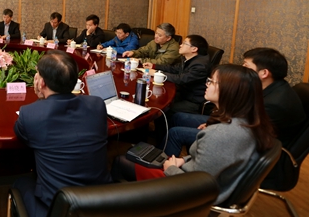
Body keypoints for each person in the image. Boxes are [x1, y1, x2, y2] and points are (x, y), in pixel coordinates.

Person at [112, 64, 275, 204]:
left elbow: (197, 186)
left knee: (121, 161)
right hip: (206, 181)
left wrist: (171, 169)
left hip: (193, 196)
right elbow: (209, 162)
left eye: (212, 81)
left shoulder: (221, 135)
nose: (207, 84)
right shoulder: (250, 121)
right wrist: (184, 160)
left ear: (230, 91)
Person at [13, 50, 112, 217]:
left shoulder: (30, 114)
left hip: (59, 212)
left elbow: (23, 137)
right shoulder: (97, 104)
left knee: (20, 182)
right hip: (102, 204)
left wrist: (42, 100)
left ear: (41, 82)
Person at [165, 48, 306, 155]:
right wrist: (213, 122)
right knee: (178, 117)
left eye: (246, 66)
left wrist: (212, 125)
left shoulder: (274, 104)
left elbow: (243, 133)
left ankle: (165, 169)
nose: (241, 69)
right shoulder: (268, 87)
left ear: (264, 73)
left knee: (176, 133)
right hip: (237, 126)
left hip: (252, 147)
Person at [143, 35, 212, 115]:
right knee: (158, 100)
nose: (180, 45)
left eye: (184, 43)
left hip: (193, 100)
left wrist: (157, 74)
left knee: (163, 108)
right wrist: (154, 66)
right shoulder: (188, 59)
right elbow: (174, 69)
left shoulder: (200, 65)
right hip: (183, 93)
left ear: (194, 49)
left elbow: (181, 79)